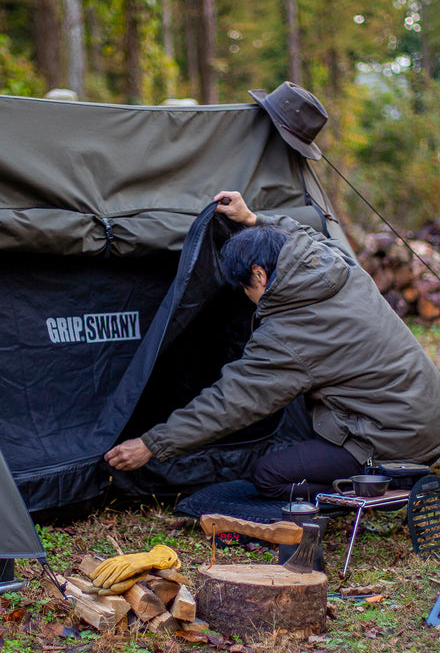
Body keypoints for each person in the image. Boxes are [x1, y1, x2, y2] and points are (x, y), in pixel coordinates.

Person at [105, 189, 440, 500]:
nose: (247, 298)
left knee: (270, 475)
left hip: (394, 440)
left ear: (260, 275)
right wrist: (252, 219)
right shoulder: (336, 264)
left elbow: (232, 401)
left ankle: (390, 483)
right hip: (427, 414)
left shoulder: (289, 335)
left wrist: (152, 444)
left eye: (245, 288)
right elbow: (303, 235)